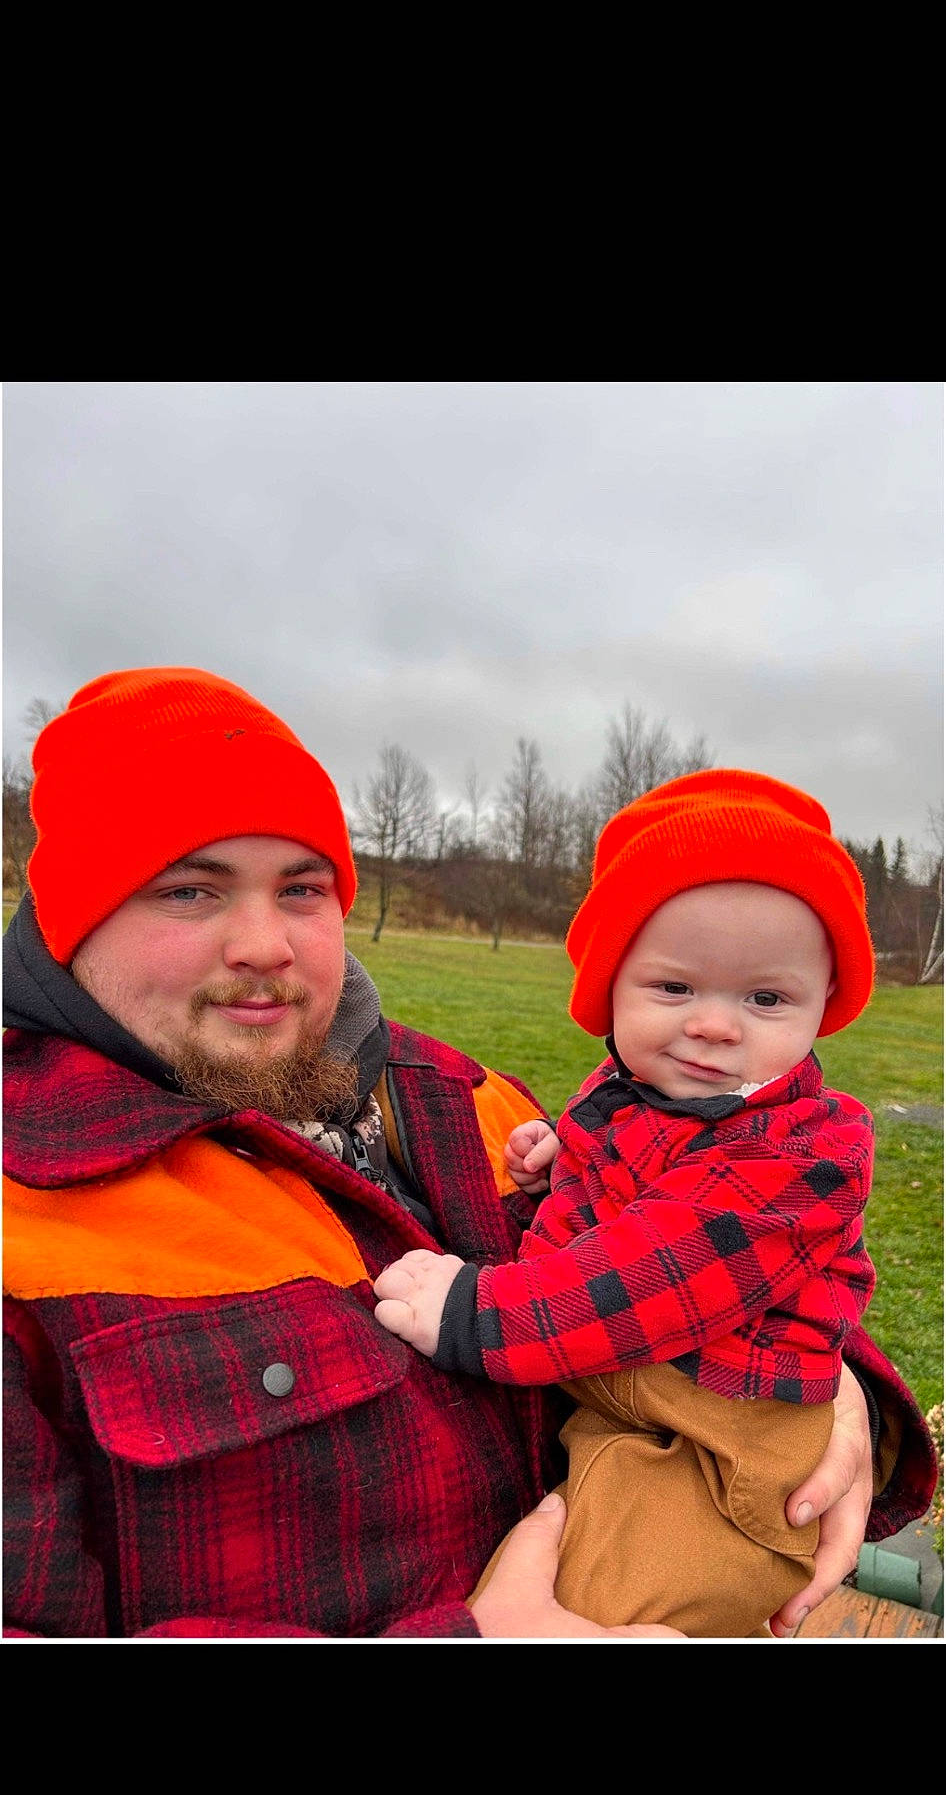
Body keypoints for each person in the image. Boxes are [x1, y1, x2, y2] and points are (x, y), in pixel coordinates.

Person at [2, 675, 935, 1640]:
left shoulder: (469, 1100)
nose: (264, 944)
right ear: (75, 916)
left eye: (302, 888)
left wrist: (836, 1388)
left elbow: (686, 1249)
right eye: (188, 889)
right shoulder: (25, 1217)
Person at [373, 769, 939, 1636]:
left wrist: (474, 1315)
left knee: (617, 1599)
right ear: (610, 989)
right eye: (675, 988)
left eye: (765, 998)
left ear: (823, 1006)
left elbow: (650, 1274)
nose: (716, 1025)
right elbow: (645, 1159)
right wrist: (570, 1158)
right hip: (634, 1395)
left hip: (727, 1439)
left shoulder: (807, 1155)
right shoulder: (640, 1094)